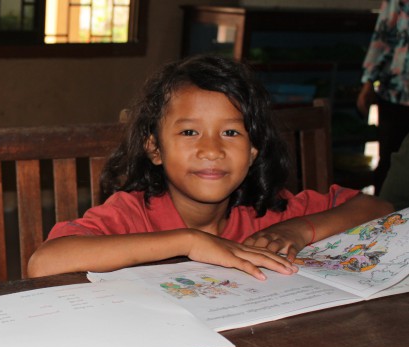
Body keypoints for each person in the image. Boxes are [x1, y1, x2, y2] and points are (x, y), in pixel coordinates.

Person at [28, 55, 394, 280]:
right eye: (189, 131)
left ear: (252, 152)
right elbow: (44, 263)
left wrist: (299, 230)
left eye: (231, 132)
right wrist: (189, 242)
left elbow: (379, 209)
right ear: (155, 148)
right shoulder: (133, 212)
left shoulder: (269, 212)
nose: (211, 149)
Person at [356, 0, 409, 194]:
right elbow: (383, 34)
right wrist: (368, 81)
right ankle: (383, 219)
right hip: (395, 92)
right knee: (389, 160)